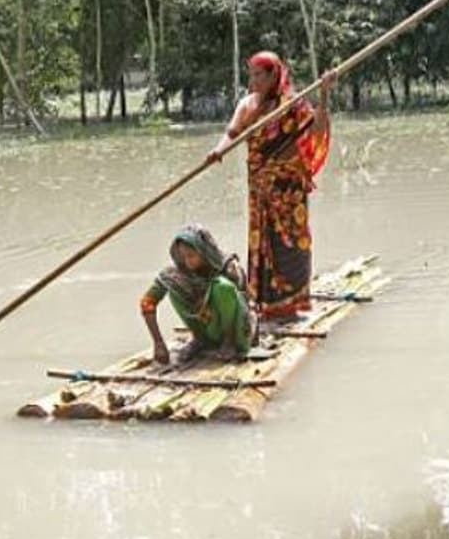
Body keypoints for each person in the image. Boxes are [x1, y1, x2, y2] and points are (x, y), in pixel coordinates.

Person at [208, 51, 332, 321]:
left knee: (292, 242)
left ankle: (293, 302)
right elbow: (232, 134)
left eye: (258, 75)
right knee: (264, 242)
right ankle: (267, 304)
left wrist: (323, 95)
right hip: (261, 189)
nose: (253, 81)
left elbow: (317, 130)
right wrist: (218, 151)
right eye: (250, 74)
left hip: (288, 190)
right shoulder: (247, 105)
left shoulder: (294, 105)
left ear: (274, 75)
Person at [140, 224, 253, 365]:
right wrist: (158, 343)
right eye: (183, 256)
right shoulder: (177, 272)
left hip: (237, 331)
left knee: (221, 287)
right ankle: (200, 338)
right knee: (172, 286)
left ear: (203, 252)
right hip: (205, 328)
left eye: (191, 256)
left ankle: (228, 342)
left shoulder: (228, 266)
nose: (187, 261)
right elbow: (147, 302)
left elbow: (245, 303)